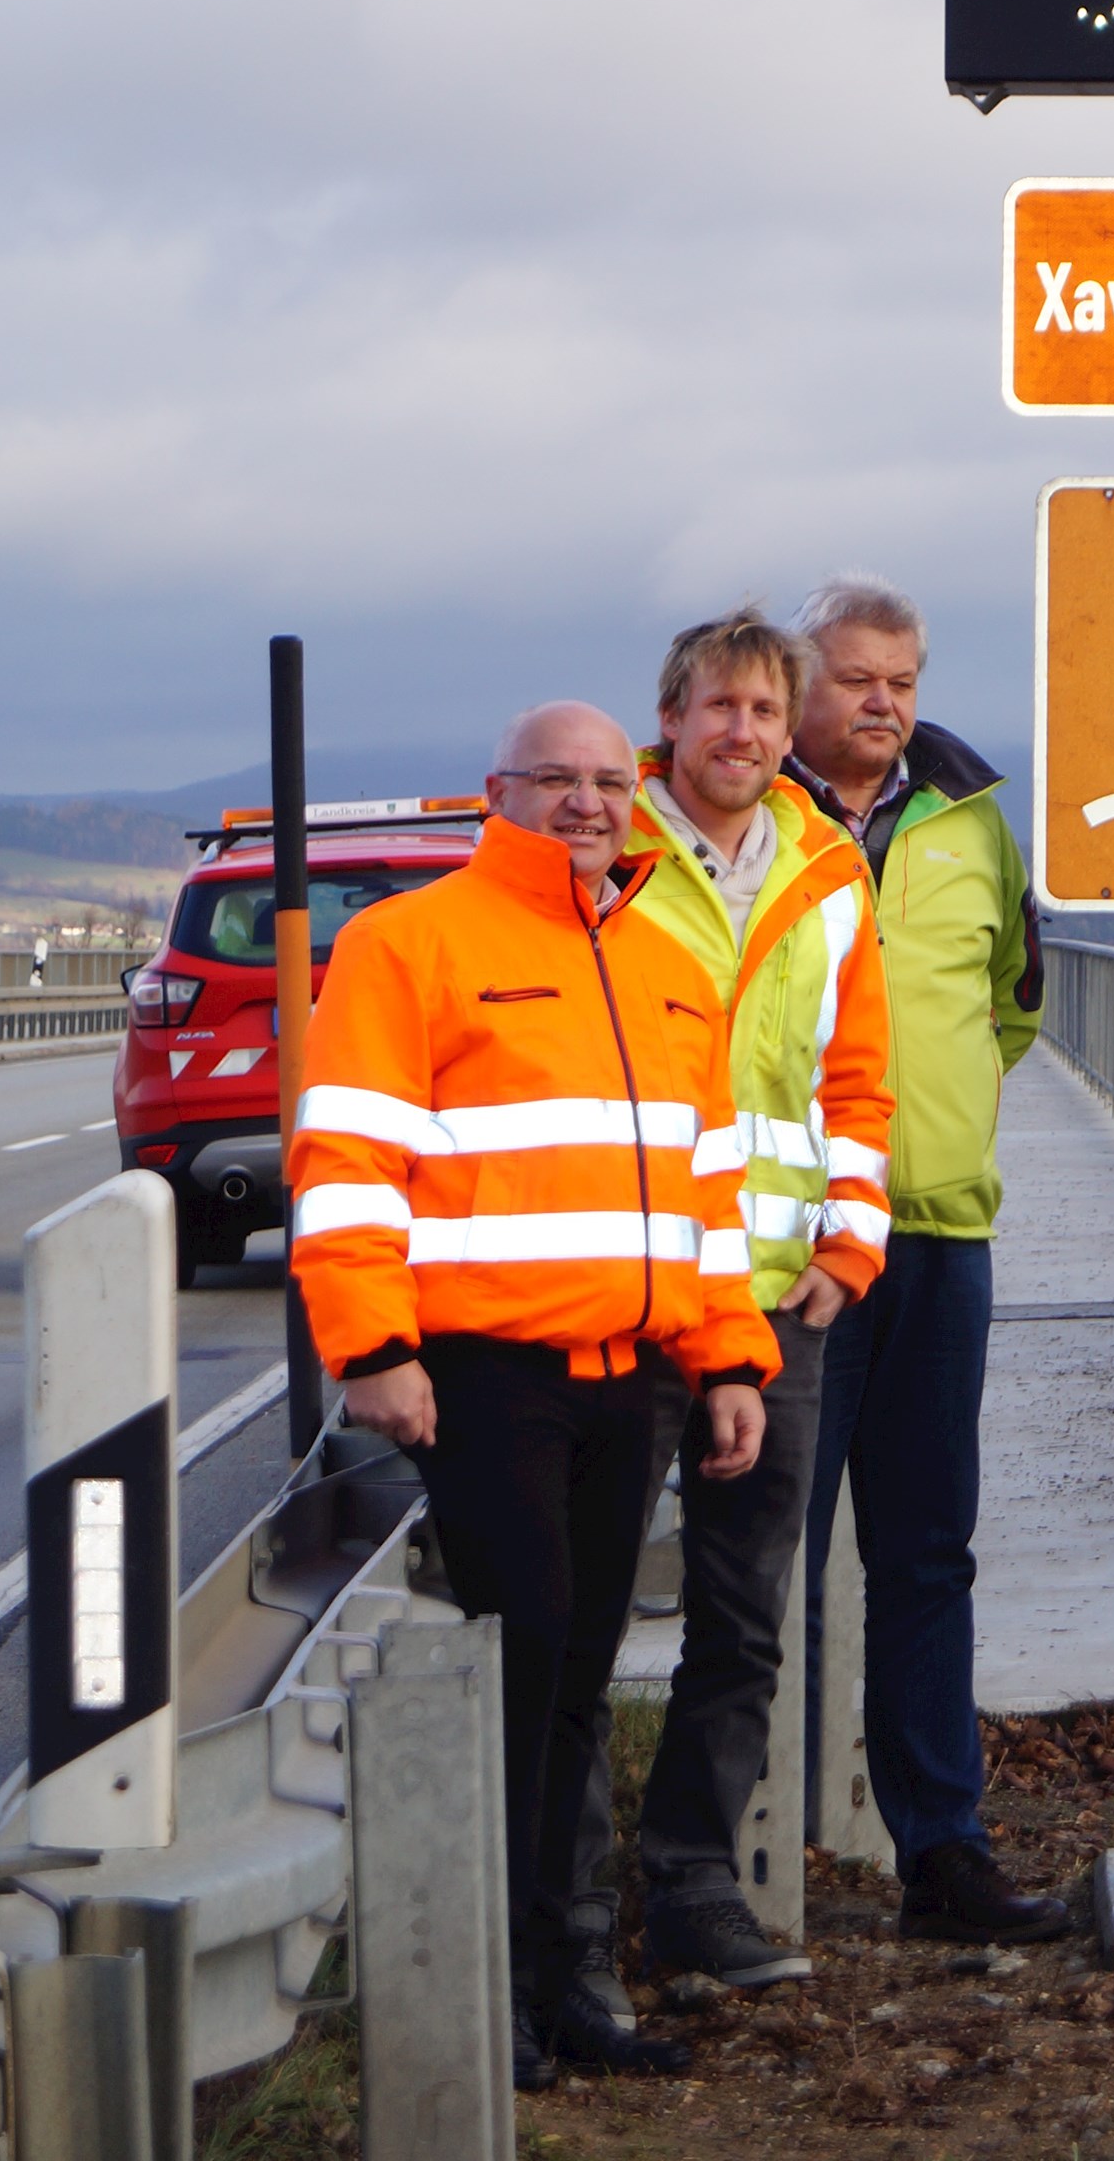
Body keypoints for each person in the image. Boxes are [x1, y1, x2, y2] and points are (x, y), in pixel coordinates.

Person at [287, 701, 779, 2087]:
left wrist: (733, 1358)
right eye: (556, 779)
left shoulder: (673, 963)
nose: (586, 802)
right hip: (480, 1380)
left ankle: (571, 1990)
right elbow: (348, 1160)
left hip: (631, 1383)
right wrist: (372, 1345)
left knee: (574, 1688)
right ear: (496, 790)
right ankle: (485, 1993)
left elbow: (711, 1197)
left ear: (644, 796)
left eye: (610, 781)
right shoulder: (412, 943)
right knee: (518, 1673)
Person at [609, 607, 895, 2000]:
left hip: (778, 1302)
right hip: (625, 1286)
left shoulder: (833, 869)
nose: (741, 733)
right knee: (582, 1601)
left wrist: (852, 1251)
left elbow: (857, 1080)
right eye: (716, 708)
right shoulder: (603, 856)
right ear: (669, 718)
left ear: (792, 733)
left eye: (765, 713)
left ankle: (691, 1887)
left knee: (741, 1611)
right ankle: (541, 1901)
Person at [788, 574, 1064, 1944]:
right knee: (761, 1560)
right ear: (796, 688)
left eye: (902, 679)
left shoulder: (973, 824)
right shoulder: (746, 819)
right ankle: (732, 1861)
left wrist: (935, 1131)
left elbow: (1013, 1003)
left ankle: (940, 1854)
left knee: (926, 1557)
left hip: (940, 1236)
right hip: (784, 1251)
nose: (884, 703)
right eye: (855, 678)